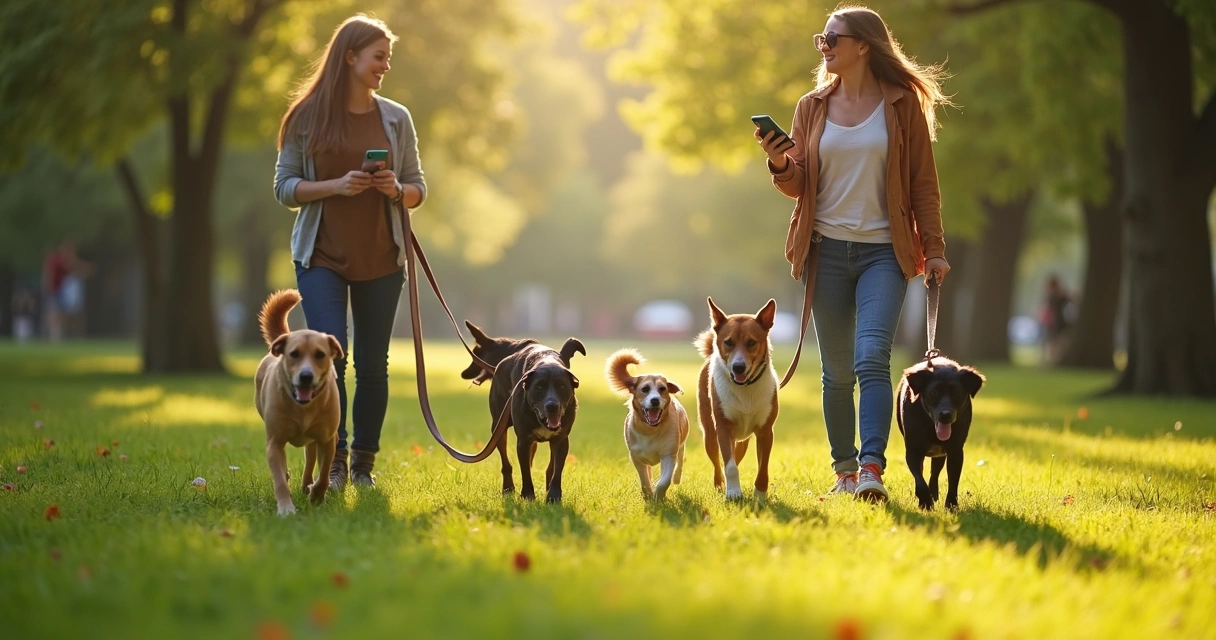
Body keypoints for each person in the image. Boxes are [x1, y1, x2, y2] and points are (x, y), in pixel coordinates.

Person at [756, 5, 952, 502]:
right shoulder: (812, 105)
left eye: (832, 38)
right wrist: (780, 161)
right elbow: (800, 184)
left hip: (885, 253)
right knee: (836, 370)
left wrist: (935, 250)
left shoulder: (902, 104)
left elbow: (923, 184)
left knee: (871, 358)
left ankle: (871, 469)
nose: (824, 47)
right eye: (821, 39)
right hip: (825, 251)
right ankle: (843, 469)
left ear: (864, 45)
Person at [273, 14, 426, 489]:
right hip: (321, 257)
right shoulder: (306, 116)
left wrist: (394, 188)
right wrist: (335, 186)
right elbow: (283, 187)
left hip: (381, 260)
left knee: (373, 365)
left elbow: (418, 188)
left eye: (388, 58)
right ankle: (332, 461)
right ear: (350, 56)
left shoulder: (396, 118)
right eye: (378, 56)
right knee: (329, 357)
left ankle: (362, 464)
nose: (385, 66)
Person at [1039, 274, 1072, 366]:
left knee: (1057, 347)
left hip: (1059, 326)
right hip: (1051, 326)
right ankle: (1051, 363)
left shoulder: (1060, 297)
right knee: (1051, 346)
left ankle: (1053, 363)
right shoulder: (1050, 297)